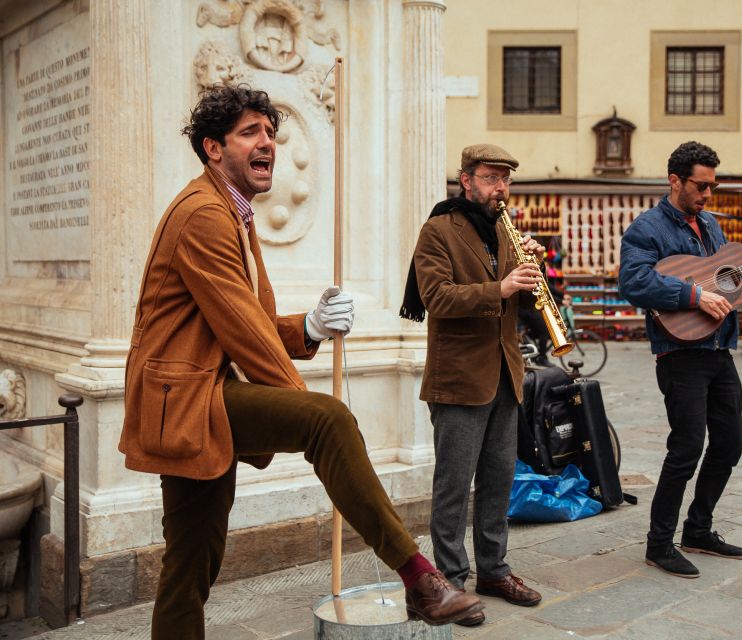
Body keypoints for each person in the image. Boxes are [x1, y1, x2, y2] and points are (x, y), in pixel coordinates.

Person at [120, 85, 482, 638]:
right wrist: (306, 407)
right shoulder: (203, 215)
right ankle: (421, 579)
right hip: (189, 400)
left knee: (191, 562)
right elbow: (246, 335)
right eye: (250, 133)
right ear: (213, 148)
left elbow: (254, 317)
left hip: (197, 399)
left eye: (271, 132)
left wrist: (309, 326)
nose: (268, 142)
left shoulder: (234, 215)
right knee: (326, 420)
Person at [619, 141, 742, 579]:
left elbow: (731, 282)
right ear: (676, 180)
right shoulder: (647, 229)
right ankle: (658, 544)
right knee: (685, 448)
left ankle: (698, 529)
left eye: (712, 187)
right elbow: (633, 281)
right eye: (701, 186)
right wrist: (692, 294)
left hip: (719, 349)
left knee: (730, 443)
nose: (707, 195)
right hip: (680, 352)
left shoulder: (711, 227)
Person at [400, 143, 544, 626]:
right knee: (453, 486)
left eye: (505, 179)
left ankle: (494, 571)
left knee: (499, 482)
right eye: (489, 177)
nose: (499, 187)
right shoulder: (438, 230)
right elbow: (436, 297)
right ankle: (451, 584)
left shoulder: (506, 234)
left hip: (505, 374)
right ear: (466, 181)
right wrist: (500, 288)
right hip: (459, 378)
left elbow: (517, 303)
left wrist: (531, 273)